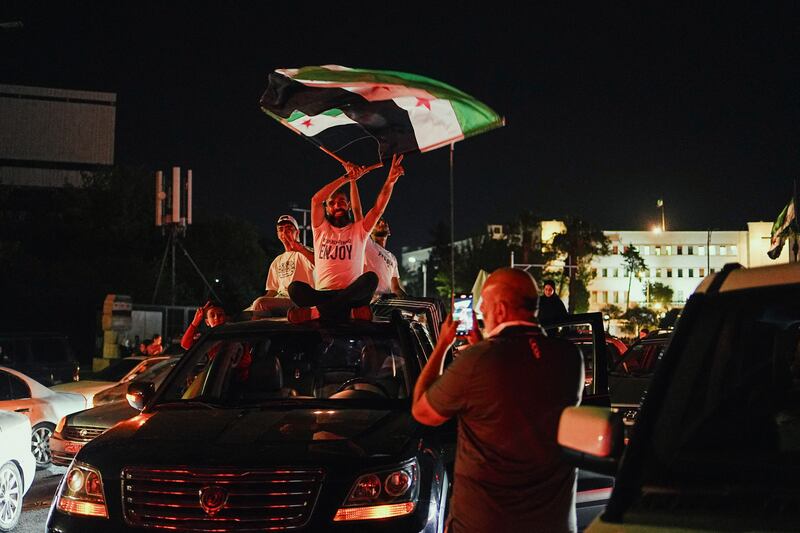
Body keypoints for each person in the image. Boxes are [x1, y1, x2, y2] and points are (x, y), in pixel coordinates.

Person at [412, 268, 585, 533]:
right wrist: (481, 344)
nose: (481, 311)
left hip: (486, 523)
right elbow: (516, 384)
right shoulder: (570, 357)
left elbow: (424, 411)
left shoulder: (478, 361)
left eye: (484, 305)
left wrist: (442, 346)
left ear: (501, 309)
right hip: (553, 523)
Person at [288, 154, 404, 321]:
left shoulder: (359, 230)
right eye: (332, 203)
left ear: (349, 205)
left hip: (353, 295)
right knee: (295, 288)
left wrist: (391, 180)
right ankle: (344, 313)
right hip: (324, 294)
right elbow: (315, 200)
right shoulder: (320, 228)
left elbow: (378, 208)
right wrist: (347, 177)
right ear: (327, 208)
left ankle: (317, 313)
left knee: (370, 279)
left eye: (342, 201)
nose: (337, 205)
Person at [264, 214, 315, 298]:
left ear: (297, 232)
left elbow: (321, 264)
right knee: (253, 308)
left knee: (260, 303)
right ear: (278, 234)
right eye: (281, 229)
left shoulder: (305, 252)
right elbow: (272, 291)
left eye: (289, 228)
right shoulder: (277, 261)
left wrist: (300, 248)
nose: (284, 232)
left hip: (299, 300)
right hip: (280, 299)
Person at [362, 218, 406, 297]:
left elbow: (395, 288)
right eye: (377, 222)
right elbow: (358, 216)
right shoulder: (368, 245)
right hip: (374, 301)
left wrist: (408, 299)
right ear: (370, 230)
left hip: (387, 302)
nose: (382, 222)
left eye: (385, 222)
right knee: (431, 305)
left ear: (389, 231)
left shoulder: (392, 258)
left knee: (426, 306)